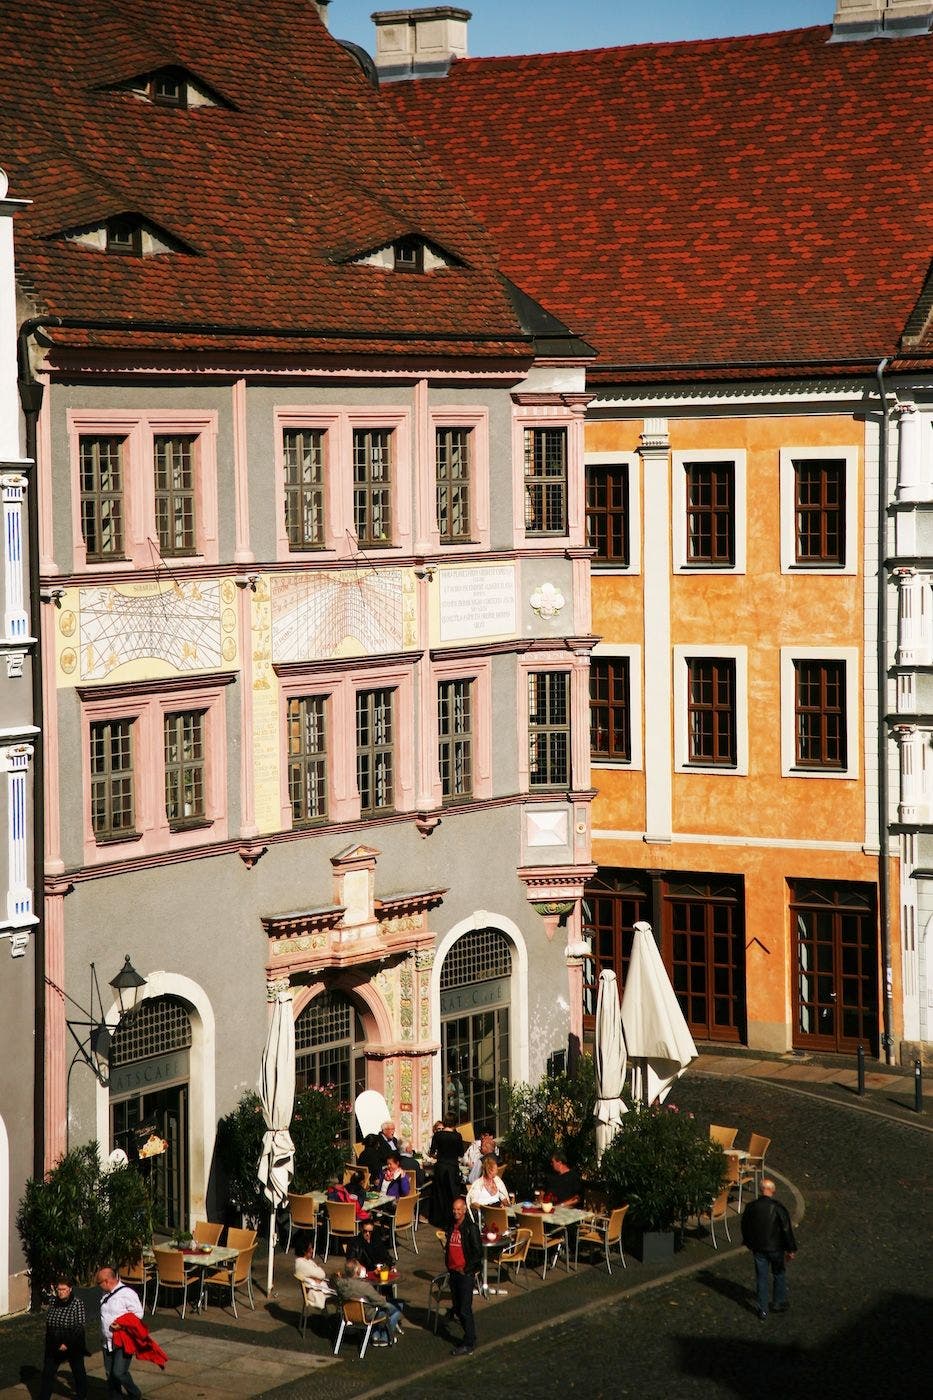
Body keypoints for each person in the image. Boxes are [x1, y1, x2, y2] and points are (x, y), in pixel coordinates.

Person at [741, 1177, 797, 1321]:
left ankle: (763, 1309)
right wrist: (791, 1249)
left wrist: (748, 1243)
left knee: (761, 1277)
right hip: (776, 1248)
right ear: (772, 1190)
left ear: (761, 1189)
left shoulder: (751, 1207)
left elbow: (745, 1226)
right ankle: (778, 1302)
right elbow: (786, 1229)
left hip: (759, 1248)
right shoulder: (778, 1208)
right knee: (778, 1273)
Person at [97, 1265, 145, 1398]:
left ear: (107, 1281)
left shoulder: (127, 1294)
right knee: (110, 1374)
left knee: (119, 1372)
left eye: (99, 1283)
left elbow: (138, 1314)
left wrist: (122, 1325)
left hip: (123, 1340)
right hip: (107, 1341)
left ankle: (135, 1394)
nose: (98, 1286)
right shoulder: (105, 1293)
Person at [333, 1258, 402, 1347]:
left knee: (382, 1305)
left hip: (348, 1314)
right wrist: (383, 1298)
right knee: (397, 1307)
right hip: (367, 1314)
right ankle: (385, 1338)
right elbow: (380, 1301)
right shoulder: (364, 1286)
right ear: (357, 1272)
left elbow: (334, 1280)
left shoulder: (340, 1285)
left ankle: (375, 1335)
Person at [39, 1276, 88, 1400]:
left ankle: (81, 1396)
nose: (60, 1292)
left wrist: (66, 1343)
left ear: (70, 1289)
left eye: (63, 1289)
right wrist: (54, 1342)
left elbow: (79, 1326)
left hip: (72, 1341)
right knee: (48, 1372)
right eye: (58, 1289)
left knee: (78, 1371)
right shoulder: (53, 1302)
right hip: (54, 1341)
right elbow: (49, 1323)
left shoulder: (77, 1303)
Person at [445, 1196, 481, 1357]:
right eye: (454, 1209)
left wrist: (468, 1269)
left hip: (464, 1273)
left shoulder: (470, 1228)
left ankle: (469, 1341)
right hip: (453, 1272)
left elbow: (477, 1251)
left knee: (465, 1309)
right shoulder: (452, 1227)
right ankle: (469, 1337)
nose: (456, 1212)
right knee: (458, 1307)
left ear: (465, 1210)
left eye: (459, 1209)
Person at [429, 1113, 467, 1228]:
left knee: (440, 1193)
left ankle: (439, 1219)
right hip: (452, 1167)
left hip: (440, 1167)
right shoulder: (457, 1136)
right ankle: (452, 1219)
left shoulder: (438, 1135)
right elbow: (461, 1153)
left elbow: (432, 1152)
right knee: (452, 1194)